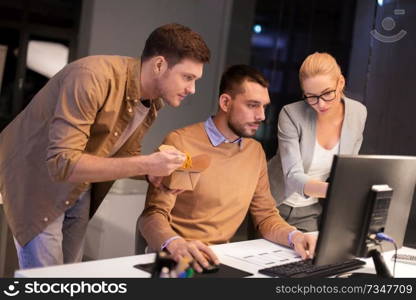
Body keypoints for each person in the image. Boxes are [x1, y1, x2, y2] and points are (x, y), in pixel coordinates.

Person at [0, 23, 211, 269]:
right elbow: (62, 162)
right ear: (159, 65)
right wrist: (147, 163)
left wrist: (151, 172)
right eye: (188, 77)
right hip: (37, 180)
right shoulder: (91, 77)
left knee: (71, 274)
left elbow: (124, 152)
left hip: (79, 184)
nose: (192, 89)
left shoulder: (153, 102)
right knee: (48, 281)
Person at [138, 65, 316, 273]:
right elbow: (152, 215)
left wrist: (295, 236)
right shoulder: (180, 142)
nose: (261, 116)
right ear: (225, 102)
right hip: (177, 257)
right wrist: (175, 243)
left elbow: (266, 215)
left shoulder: (254, 152)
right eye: (252, 105)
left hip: (222, 260)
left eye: (264, 107)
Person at [267, 52, 367, 232]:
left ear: (341, 83)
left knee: (311, 258)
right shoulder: (291, 114)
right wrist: (337, 191)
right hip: (271, 206)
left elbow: (348, 169)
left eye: (327, 93)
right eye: (311, 96)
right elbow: (293, 177)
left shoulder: (358, 113)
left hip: (310, 211)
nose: (320, 104)